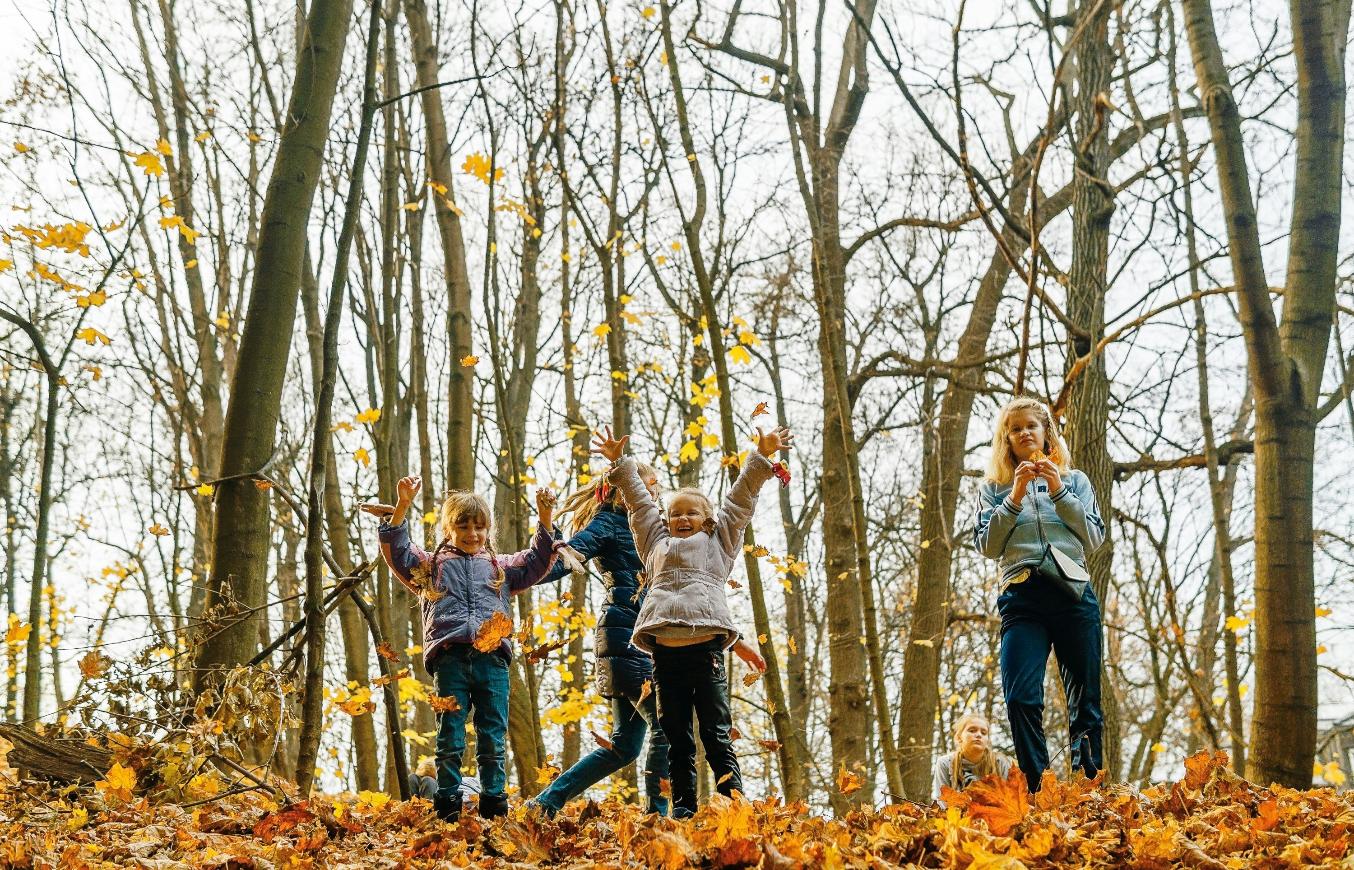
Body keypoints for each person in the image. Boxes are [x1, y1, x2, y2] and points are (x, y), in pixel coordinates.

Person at [593, 422, 784, 819]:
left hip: (706, 652)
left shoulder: (720, 542)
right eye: (675, 513)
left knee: (714, 735)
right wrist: (622, 465)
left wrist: (760, 458)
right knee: (676, 737)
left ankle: (735, 807)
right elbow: (641, 505)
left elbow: (740, 499)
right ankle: (682, 808)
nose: (682, 518)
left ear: (707, 519)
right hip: (664, 656)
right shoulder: (655, 543)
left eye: (691, 513)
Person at [371, 476, 560, 821]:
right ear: (448, 528)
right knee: (450, 737)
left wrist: (545, 517)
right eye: (463, 526)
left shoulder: (500, 568)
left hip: (493, 661)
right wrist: (402, 505)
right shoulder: (431, 566)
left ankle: (493, 806)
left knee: (492, 736)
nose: (472, 534)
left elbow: (537, 560)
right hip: (451, 658)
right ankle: (446, 807)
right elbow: (397, 552)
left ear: (488, 529)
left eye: (479, 527)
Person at [973, 397, 1106, 792]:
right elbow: (987, 544)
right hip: (1022, 598)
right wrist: (1014, 497)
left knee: (1085, 700)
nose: (1024, 433)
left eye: (1031, 425)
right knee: (1020, 698)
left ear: (1046, 432)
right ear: (1007, 441)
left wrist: (1059, 491)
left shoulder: (1075, 480)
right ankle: (1038, 789)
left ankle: (1088, 788)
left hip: (1073, 593)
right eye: (1015, 429)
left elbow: (1094, 536)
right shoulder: (994, 488)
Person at [528, 466, 671, 818]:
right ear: (620, 489)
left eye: (654, 486)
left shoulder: (649, 529)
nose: (654, 492)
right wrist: (529, 560)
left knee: (623, 746)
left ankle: (545, 802)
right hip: (627, 636)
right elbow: (563, 561)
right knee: (667, 727)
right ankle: (658, 818)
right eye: (647, 485)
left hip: (640, 636)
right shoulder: (609, 523)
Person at [931, 713, 1012, 804]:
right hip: (957, 816)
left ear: (988, 740)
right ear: (959, 737)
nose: (978, 735)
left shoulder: (1000, 763)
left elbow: (1010, 799)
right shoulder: (945, 763)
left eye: (984, 733)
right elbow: (942, 801)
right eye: (972, 730)